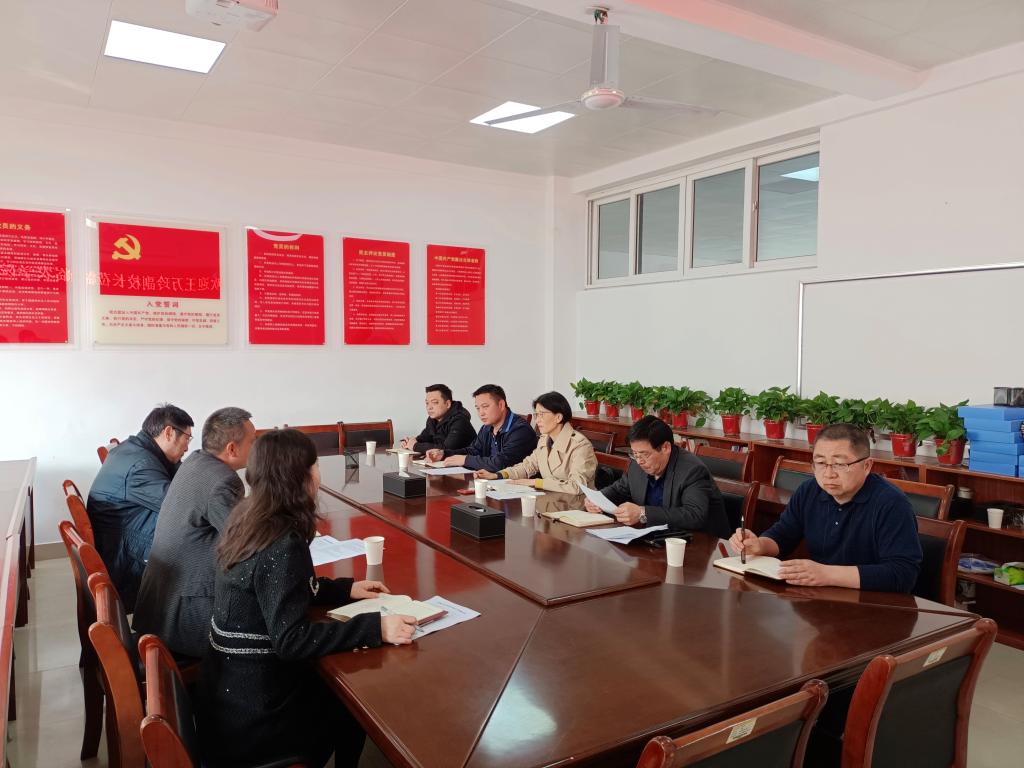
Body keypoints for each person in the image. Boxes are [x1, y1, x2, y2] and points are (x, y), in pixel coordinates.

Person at [200, 429, 417, 768]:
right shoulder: (282, 542)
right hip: (257, 715)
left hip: (227, 692)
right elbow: (291, 640)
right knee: (352, 703)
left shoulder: (247, 516)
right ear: (299, 476)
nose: (318, 474)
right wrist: (375, 628)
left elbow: (279, 589)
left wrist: (344, 589)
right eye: (314, 466)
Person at [729, 423, 922, 592]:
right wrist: (760, 545)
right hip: (821, 598)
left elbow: (903, 574)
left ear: (867, 466)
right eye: (820, 463)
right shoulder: (809, 490)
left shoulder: (891, 503)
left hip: (875, 606)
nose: (828, 474)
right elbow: (783, 535)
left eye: (839, 464)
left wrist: (827, 574)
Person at [132, 407, 256, 658]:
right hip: (185, 615)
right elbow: (246, 543)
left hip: (160, 604)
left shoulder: (197, 461)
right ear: (232, 449)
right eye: (253, 441)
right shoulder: (223, 481)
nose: (257, 447)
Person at [86, 403, 193, 611]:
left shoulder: (136, 450)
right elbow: (179, 506)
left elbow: (181, 483)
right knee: (201, 543)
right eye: (187, 438)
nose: (187, 447)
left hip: (123, 543)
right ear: (169, 433)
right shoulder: (141, 466)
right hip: (125, 563)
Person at [585, 415, 730, 537]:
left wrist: (642, 513)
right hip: (655, 538)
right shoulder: (637, 464)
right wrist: (598, 499)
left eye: (644, 454)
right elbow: (620, 489)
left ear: (665, 447)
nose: (639, 461)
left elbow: (694, 515)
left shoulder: (692, 471)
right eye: (635, 454)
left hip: (697, 544)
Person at [474, 391, 596, 494]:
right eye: (536, 415)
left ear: (558, 417)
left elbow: (576, 486)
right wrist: (498, 475)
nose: (537, 420)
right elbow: (527, 466)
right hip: (551, 500)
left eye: (541, 415)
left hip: (577, 505)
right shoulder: (545, 439)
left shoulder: (580, 445)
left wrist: (536, 482)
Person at [425, 384, 535, 472]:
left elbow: (501, 463)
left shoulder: (520, 430)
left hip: (517, 486)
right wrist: (444, 454)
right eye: (478, 408)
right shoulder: (487, 428)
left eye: (485, 407)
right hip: (491, 481)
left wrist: (465, 460)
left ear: (501, 405)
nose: (481, 413)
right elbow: (474, 450)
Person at [400, 384, 475, 454]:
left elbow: (446, 449)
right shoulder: (432, 420)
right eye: (427, 403)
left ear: (448, 404)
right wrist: (409, 442)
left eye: (434, 402)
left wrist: (415, 446)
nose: (429, 407)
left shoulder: (460, 421)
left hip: (465, 463)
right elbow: (425, 438)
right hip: (443, 462)